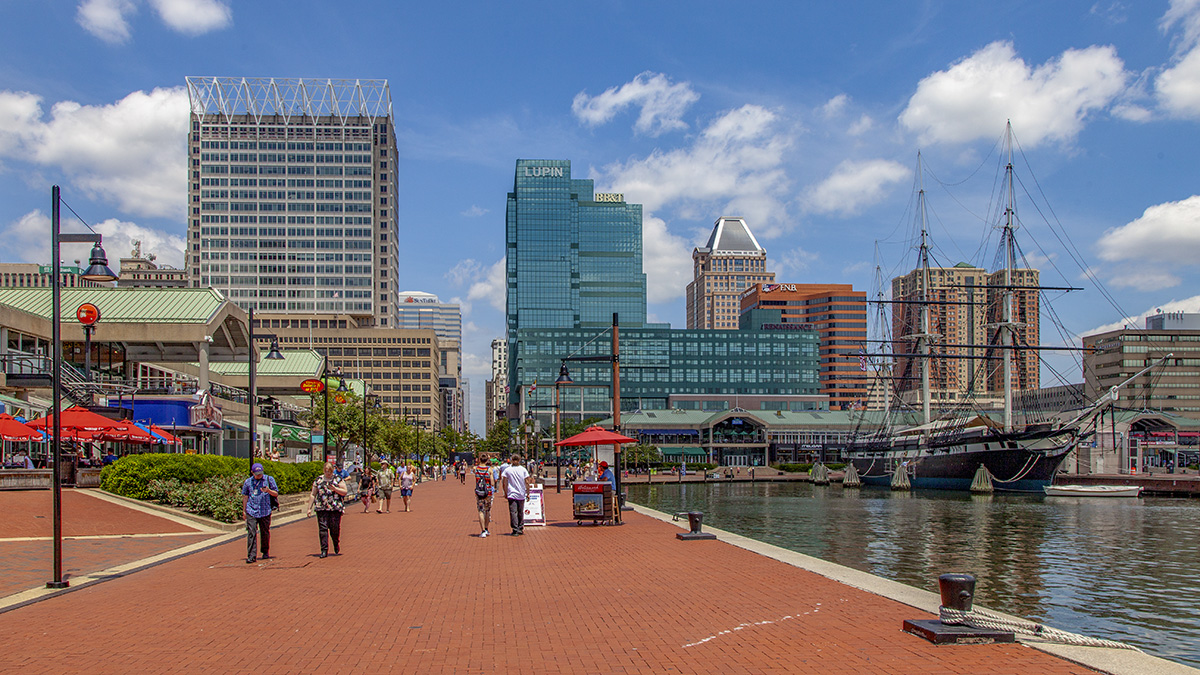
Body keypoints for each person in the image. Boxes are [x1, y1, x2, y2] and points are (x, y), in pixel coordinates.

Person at [306, 461, 347, 558]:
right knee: (323, 529)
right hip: (322, 507)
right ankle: (324, 550)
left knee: (334, 528)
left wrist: (335, 489)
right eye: (326, 471)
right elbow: (313, 494)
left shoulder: (337, 479)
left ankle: (336, 543)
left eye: (330, 471)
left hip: (334, 507)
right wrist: (309, 508)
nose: (328, 473)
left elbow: (344, 491)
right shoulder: (318, 480)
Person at [241, 462, 279, 564]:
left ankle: (265, 551)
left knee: (265, 532)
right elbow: (245, 497)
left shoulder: (268, 479)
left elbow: (276, 493)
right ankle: (251, 556)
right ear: (252, 472)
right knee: (251, 532)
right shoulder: (248, 482)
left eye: (260, 473)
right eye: (257, 473)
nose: (259, 475)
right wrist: (244, 511)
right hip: (251, 510)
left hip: (265, 510)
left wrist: (268, 491)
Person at [500, 454, 532, 536]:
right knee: (520, 511)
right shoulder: (523, 469)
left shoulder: (508, 470)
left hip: (512, 493)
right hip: (521, 493)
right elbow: (527, 482)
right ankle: (520, 528)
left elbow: (504, 482)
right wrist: (528, 492)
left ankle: (515, 529)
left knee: (513, 511)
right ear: (519, 460)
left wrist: (505, 492)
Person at [473, 453, 494, 537]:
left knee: (480, 510)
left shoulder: (476, 469)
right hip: (487, 492)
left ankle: (482, 531)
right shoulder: (489, 470)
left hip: (479, 492)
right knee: (487, 511)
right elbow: (492, 483)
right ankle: (486, 528)